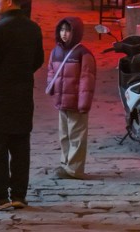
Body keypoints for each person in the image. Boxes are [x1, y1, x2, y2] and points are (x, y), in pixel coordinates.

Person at [0, 0, 44, 211]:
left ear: (8, 1)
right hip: (22, 97)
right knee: (20, 148)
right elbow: (38, 59)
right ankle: (18, 195)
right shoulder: (32, 28)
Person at [46, 17, 96, 180]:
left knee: (76, 136)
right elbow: (51, 71)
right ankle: (65, 163)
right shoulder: (56, 51)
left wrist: (84, 103)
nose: (64, 34)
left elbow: (86, 80)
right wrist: (51, 87)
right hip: (62, 102)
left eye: (68, 30)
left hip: (76, 103)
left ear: (76, 33)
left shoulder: (83, 53)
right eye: (62, 30)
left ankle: (74, 169)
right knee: (64, 135)